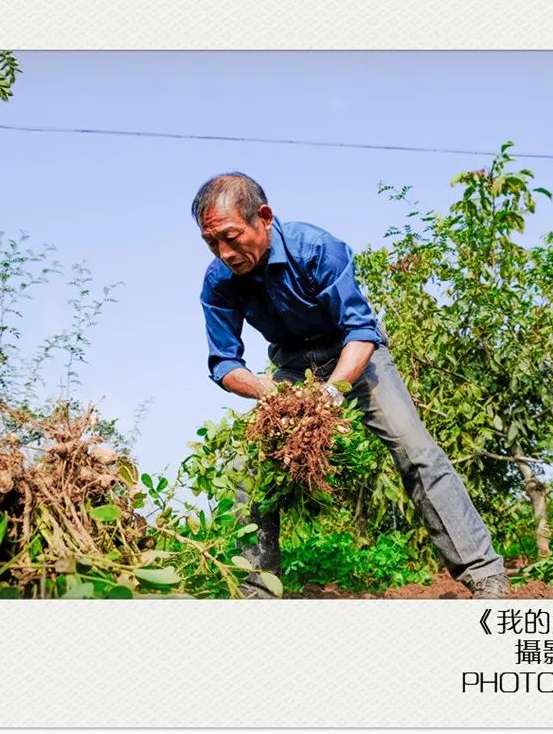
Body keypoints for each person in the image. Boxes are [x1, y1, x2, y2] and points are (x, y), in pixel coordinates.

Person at [192, 172, 509, 599]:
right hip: (289, 370)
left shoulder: (317, 248)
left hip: (355, 357)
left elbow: (360, 331)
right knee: (251, 471)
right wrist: (274, 395)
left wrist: (331, 392)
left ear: (263, 217)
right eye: (212, 243)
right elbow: (225, 363)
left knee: (416, 451)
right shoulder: (218, 281)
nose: (225, 253)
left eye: (231, 237)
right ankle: (257, 595)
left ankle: (485, 574)